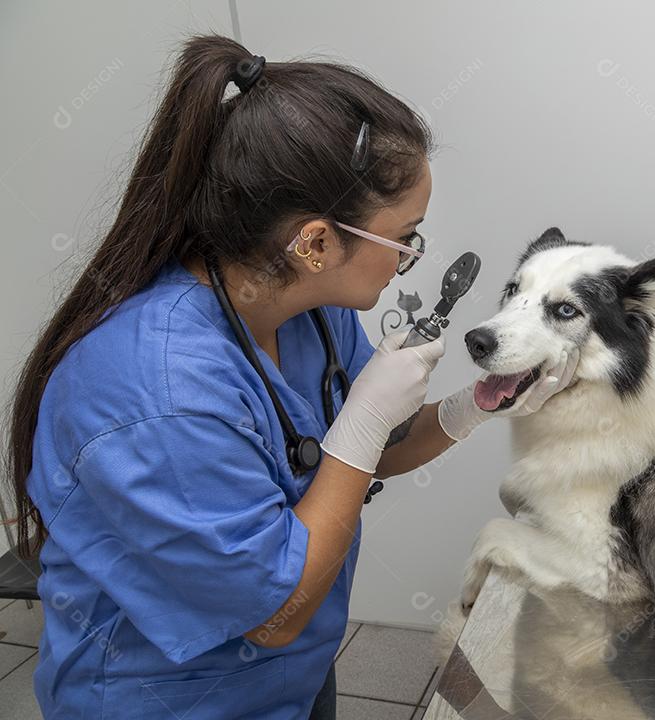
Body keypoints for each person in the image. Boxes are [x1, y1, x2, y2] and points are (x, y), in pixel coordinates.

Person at [3, 35, 577, 719]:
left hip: (290, 677)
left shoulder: (312, 314)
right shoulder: (156, 396)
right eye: (406, 239)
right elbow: (272, 613)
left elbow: (370, 450)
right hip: (167, 698)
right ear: (315, 242)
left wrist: (474, 406)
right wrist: (364, 419)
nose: (410, 258)